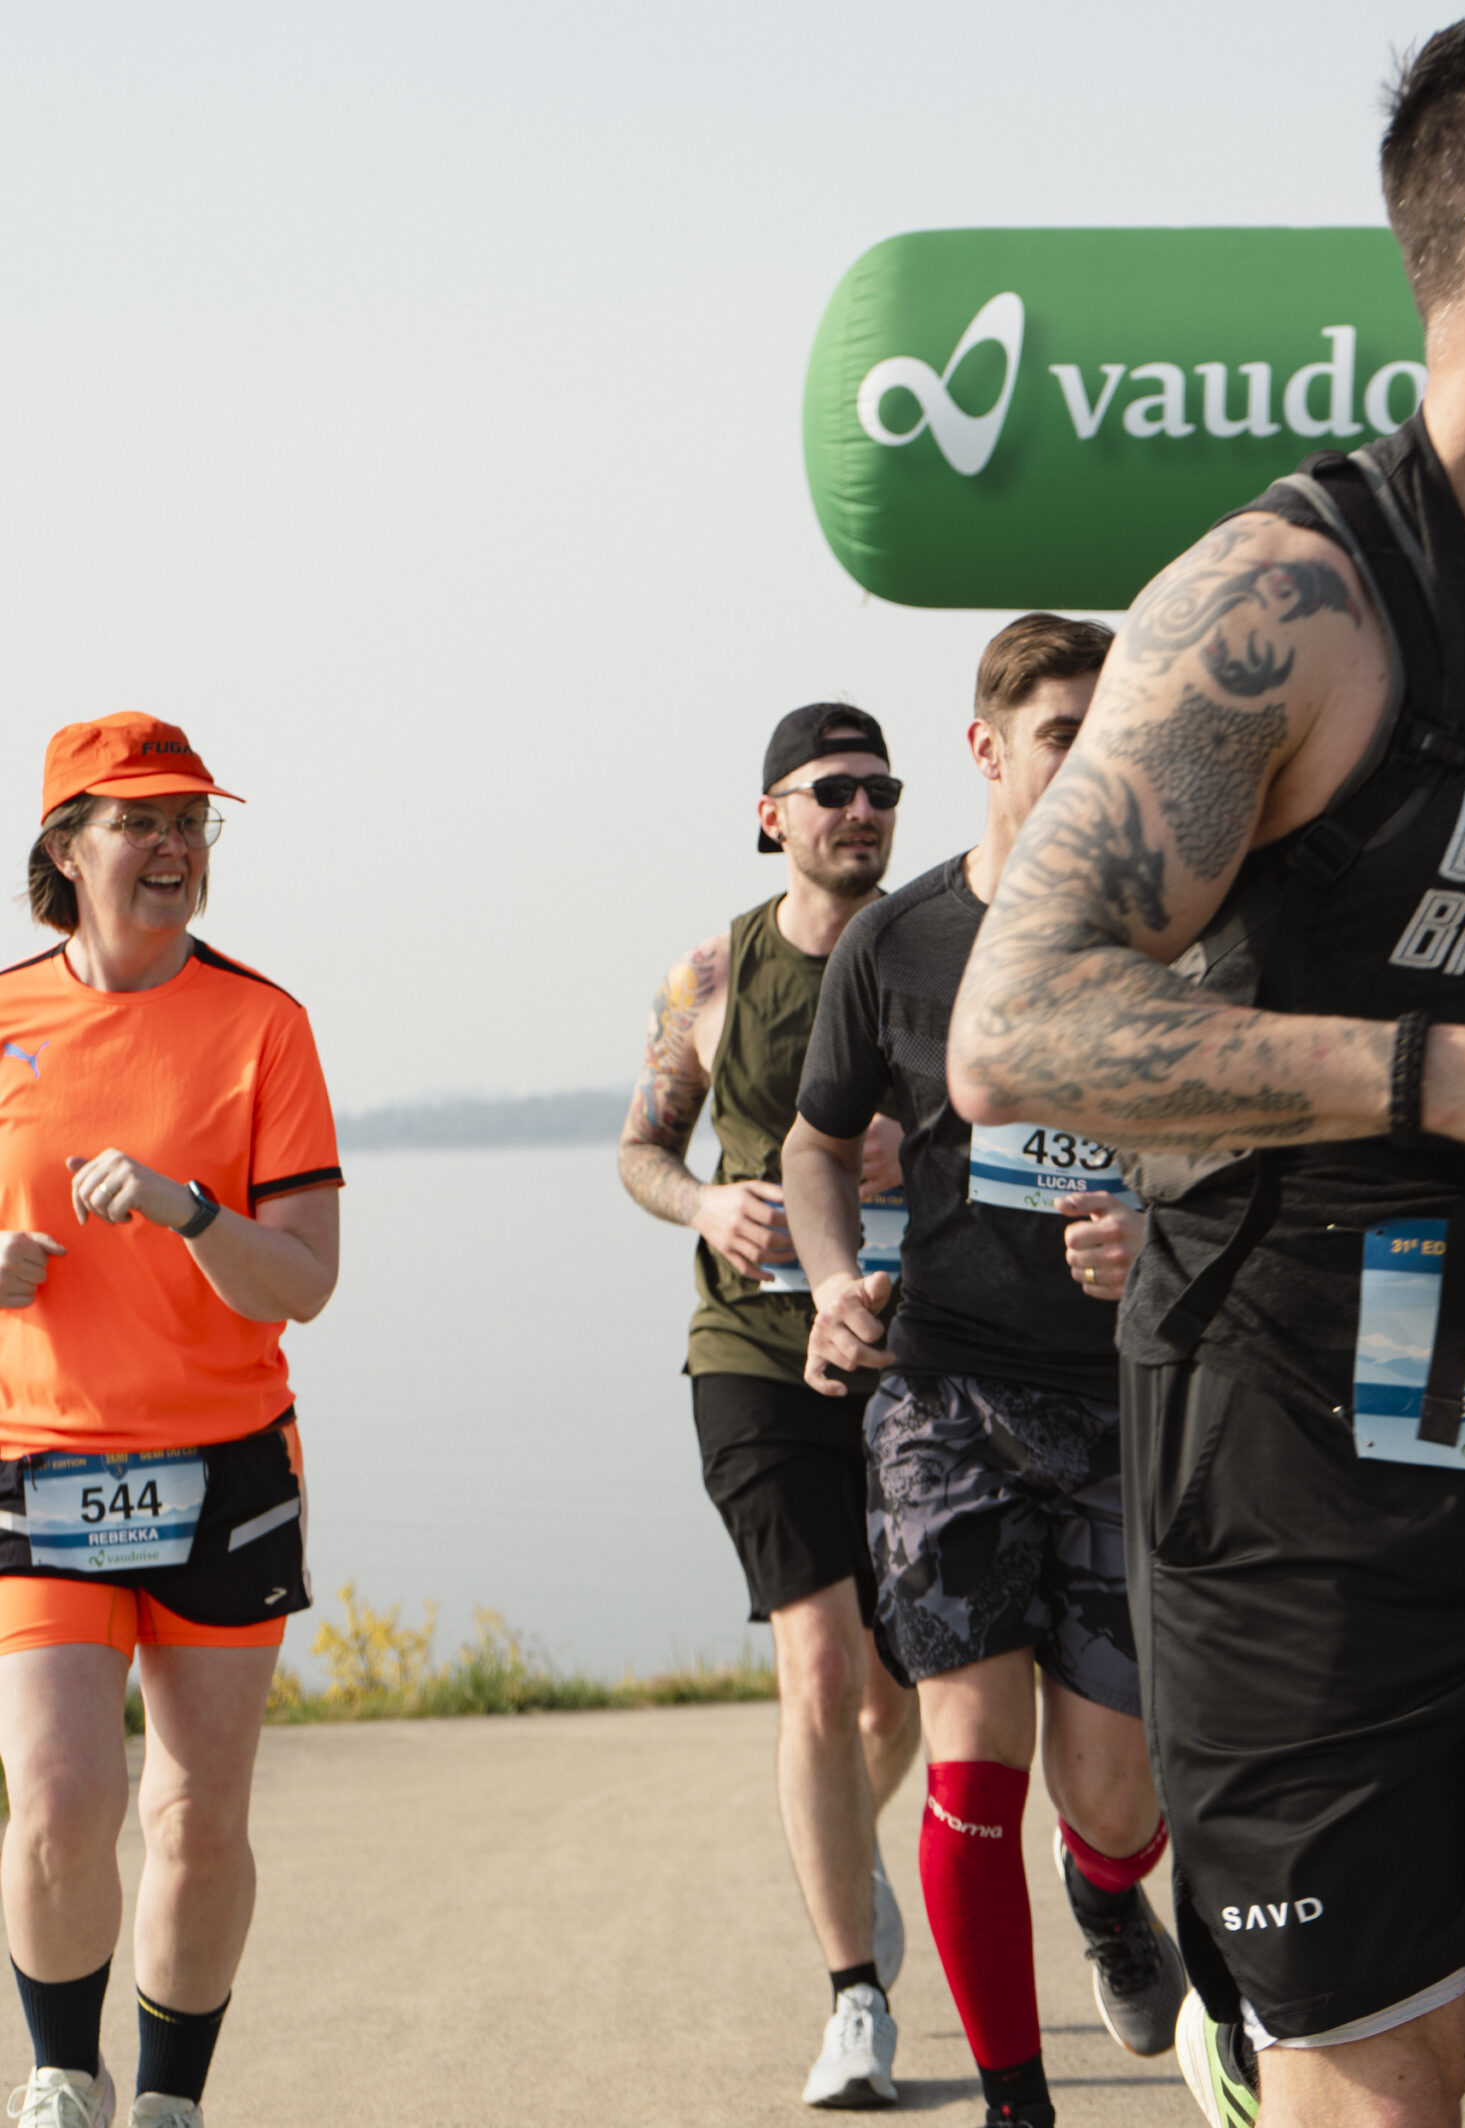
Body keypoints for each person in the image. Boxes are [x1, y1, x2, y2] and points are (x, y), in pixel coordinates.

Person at [945, 0, 1465, 2128]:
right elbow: (1015, 1026)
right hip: (1304, 1513)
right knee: (1384, 2091)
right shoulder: (1288, 607)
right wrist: (1454, 1080)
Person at [782, 614, 1187, 2128]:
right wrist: (834, 1279)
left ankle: (1107, 1894)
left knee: (1113, 1791)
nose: (1095, 757)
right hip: (945, 1394)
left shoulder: (1179, 927)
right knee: (970, 1756)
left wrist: (1161, 1236)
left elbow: (1245, 1153)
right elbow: (815, 1145)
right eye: (1066, 732)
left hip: (1124, 1398)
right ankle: (1021, 2106)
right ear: (989, 748)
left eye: (1115, 731)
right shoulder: (898, 942)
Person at [0, 714, 341, 2128]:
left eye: (192, 821)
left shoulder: (264, 1025)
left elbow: (306, 1281)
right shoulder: (3, 1019)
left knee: (196, 1816)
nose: (173, 846)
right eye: (139, 820)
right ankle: (59, 2078)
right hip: (40, 1459)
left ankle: (169, 2104)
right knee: (58, 1797)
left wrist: (193, 1211)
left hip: (225, 1466)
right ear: (66, 847)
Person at [618, 704, 921, 2108]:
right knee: (818, 1667)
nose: (862, 810)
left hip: (912, 1349)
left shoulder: (940, 948)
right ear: (773, 816)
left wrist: (923, 1145)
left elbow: (1026, 1129)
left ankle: (844, 1850)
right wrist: (706, 1203)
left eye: (882, 789)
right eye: (833, 789)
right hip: (751, 1346)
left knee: (895, 1696)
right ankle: (854, 1996)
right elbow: (641, 1148)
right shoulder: (713, 970)